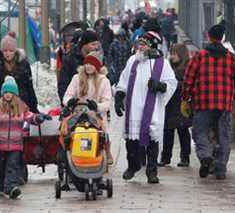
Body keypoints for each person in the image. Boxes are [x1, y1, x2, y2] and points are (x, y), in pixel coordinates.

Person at [181, 24, 235, 180]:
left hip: (202, 103)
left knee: (199, 132)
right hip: (224, 105)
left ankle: (205, 157)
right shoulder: (231, 58)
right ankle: (220, 168)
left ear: (208, 37)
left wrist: (185, 98)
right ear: (222, 38)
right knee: (224, 136)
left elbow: (188, 79)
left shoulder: (199, 56)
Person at [115, 31, 177, 183]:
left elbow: (172, 83)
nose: (139, 48)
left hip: (152, 108)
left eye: (143, 45)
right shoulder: (132, 61)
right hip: (134, 109)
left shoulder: (163, 64)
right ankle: (133, 166)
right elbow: (123, 80)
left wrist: (160, 86)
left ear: (152, 46)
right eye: (139, 44)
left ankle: (152, 171)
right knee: (131, 142)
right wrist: (119, 96)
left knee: (151, 140)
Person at [0, 31, 39, 184]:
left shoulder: (23, 64)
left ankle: (19, 172)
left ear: (15, 51)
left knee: (19, 138)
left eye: (10, 50)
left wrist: (34, 108)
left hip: (20, 107)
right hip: (0, 107)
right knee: (0, 139)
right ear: (1, 51)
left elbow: (29, 87)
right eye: (5, 51)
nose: (7, 54)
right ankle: (1, 173)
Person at [0, 76, 51, 199]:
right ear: (3, 93)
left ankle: (11, 188)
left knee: (13, 166)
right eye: (6, 92)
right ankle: (0, 186)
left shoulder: (21, 106)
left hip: (15, 145)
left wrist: (38, 118)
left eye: (11, 92)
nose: (8, 95)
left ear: (15, 94)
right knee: (0, 169)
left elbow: (29, 116)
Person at [63, 51, 113, 164]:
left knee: (101, 131)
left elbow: (107, 102)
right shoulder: (77, 78)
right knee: (70, 129)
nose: (89, 66)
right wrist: (70, 101)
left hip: (96, 114)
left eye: (92, 64)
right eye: (87, 63)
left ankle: (105, 149)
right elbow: (67, 95)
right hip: (78, 112)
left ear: (97, 66)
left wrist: (97, 106)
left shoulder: (104, 81)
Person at [159, 44, 192, 167]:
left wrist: (172, 85)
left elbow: (185, 85)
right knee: (168, 131)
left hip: (181, 104)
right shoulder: (169, 68)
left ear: (181, 54)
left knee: (182, 131)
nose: (171, 56)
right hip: (170, 105)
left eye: (174, 53)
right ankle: (166, 157)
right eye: (171, 53)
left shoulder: (185, 69)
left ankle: (185, 157)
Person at [58, 30, 101, 103]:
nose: (96, 47)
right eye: (93, 44)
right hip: (75, 106)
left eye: (97, 45)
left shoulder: (98, 59)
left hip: (95, 106)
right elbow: (63, 84)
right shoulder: (70, 59)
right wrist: (68, 104)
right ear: (84, 45)